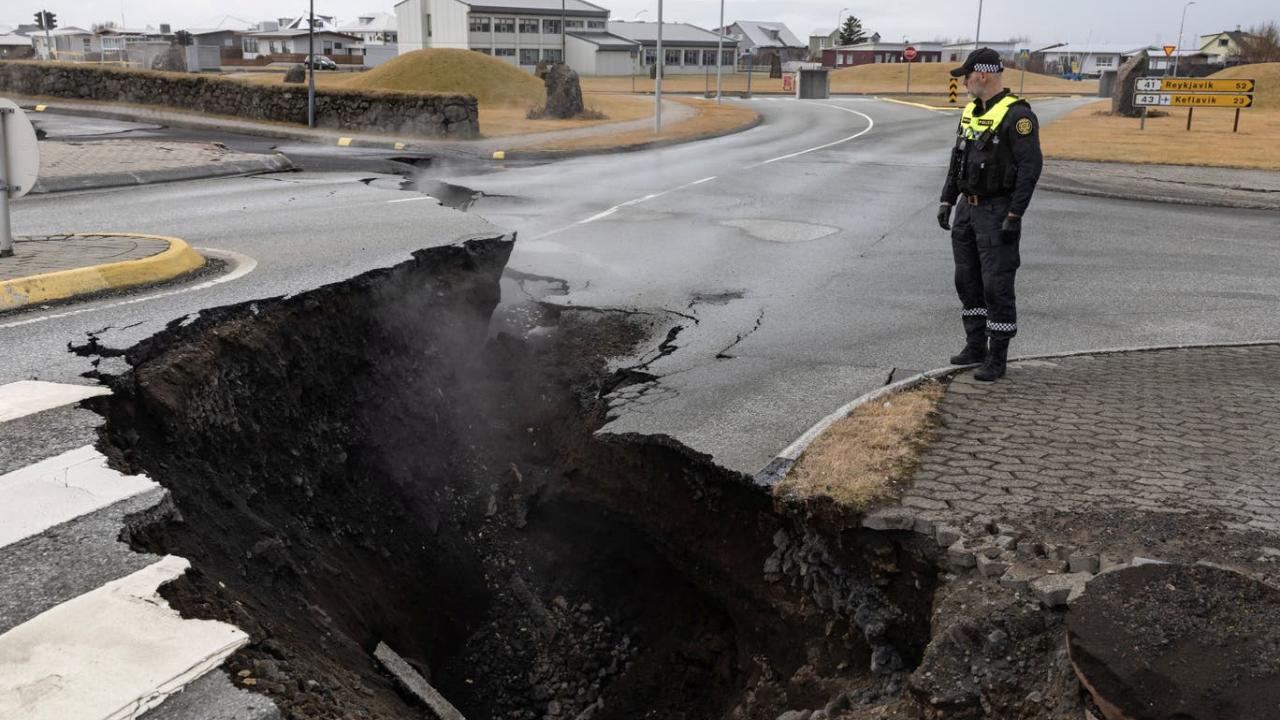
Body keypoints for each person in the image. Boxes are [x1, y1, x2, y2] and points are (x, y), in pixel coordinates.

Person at [937, 47, 1043, 382]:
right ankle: (974, 345)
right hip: (968, 209)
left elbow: (1030, 168)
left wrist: (1015, 213)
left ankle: (997, 358)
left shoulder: (1018, 116)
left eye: (966, 76)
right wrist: (947, 200)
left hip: (998, 210)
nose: (965, 83)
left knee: (996, 284)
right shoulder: (971, 111)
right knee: (966, 280)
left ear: (982, 75)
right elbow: (959, 159)